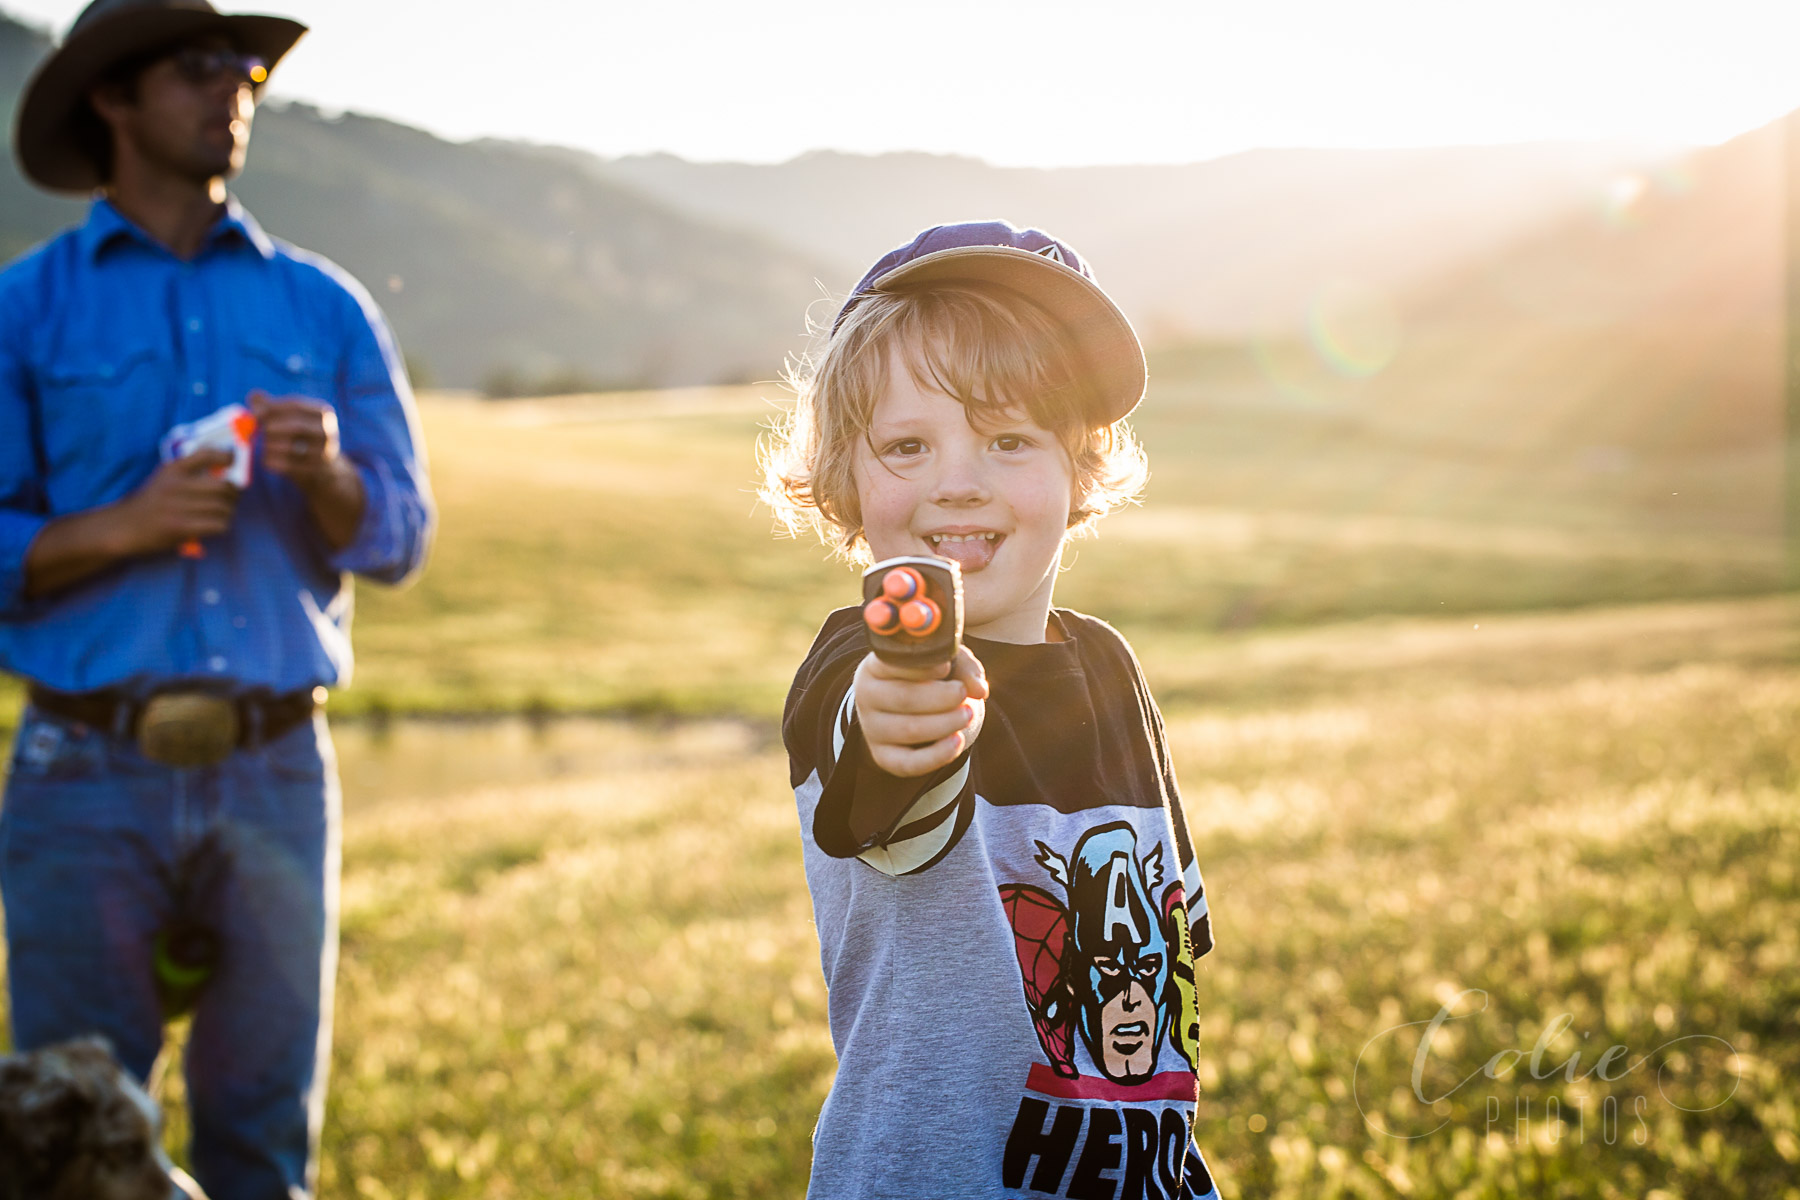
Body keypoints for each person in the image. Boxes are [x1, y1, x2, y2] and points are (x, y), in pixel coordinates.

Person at [0, 1, 433, 1195]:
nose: (233, 88)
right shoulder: (22, 310)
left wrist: (334, 478)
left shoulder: (328, 308)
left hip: (276, 772)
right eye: (197, 68)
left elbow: (401, 538)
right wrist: (123, 526)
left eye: (244, 69)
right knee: (69, 1147)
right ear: (111, 97)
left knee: (261, 1153)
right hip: (81, 781)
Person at [762, 220, 1221, 1199]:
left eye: (1009, 438)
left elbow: (1166, 952)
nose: (958, 480)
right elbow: (879, 757)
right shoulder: (859, 663)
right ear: (847, 476)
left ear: (1079, 469)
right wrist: (902, 709)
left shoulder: (1110, 669)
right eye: (907, 444)